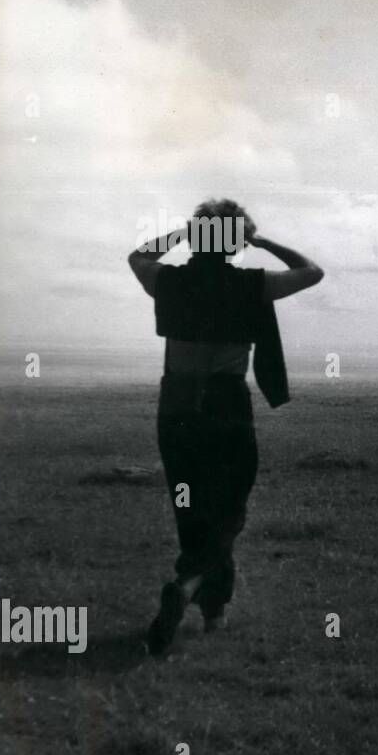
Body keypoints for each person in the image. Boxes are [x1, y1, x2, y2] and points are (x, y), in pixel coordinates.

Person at [128, 199, 324, 654]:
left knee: (191, 505)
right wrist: (260, 241)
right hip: (225, 401)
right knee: (229, 507)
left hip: (176, 402)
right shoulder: (252, 285)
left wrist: (181, 234)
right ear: (235, 242)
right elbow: (312, 271)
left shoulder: (169, 281)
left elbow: (137, 258)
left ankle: (214, 612)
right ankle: (192, 585)